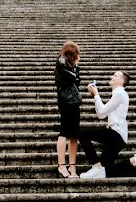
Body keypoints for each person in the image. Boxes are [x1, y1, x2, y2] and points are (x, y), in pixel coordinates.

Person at [78, 70, 136, 179]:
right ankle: (133, 161)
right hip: (118, 137)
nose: (111, 76)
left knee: (83, 134)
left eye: (115, 75)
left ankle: (96, 166)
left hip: (116, 134)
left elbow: (101, 112)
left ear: (121, 81)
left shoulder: (119, 93)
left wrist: (96, 94)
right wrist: (95, 96)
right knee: (108, 171)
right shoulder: (118, 94)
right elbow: (101, 115)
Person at [54, 41, 81, 178]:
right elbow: (70, 78)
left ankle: (72, 167)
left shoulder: (72, 65)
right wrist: (75, 68)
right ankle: (61, 165)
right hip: (65, 101)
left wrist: (76, 67)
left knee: (74, 134)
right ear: (72, 53)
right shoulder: (61, 61)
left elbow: (77, 81)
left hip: (74, 101)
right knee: (64, 132)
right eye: (77, 53)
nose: (79, 56)